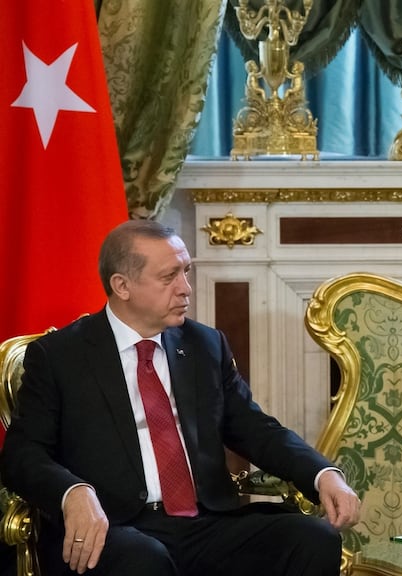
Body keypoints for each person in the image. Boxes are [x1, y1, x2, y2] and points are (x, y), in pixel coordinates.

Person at [0, 220, 361, 575]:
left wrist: (322, 474)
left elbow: (256, 428)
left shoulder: (204, 344)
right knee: (144, 560)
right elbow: (23, 453)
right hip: (115, 527)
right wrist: (73, 492)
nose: (185, 288)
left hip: (205, 524)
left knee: (313, 538)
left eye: (186, 272)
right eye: (169, 276)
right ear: (122, 286)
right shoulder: (61, 355)